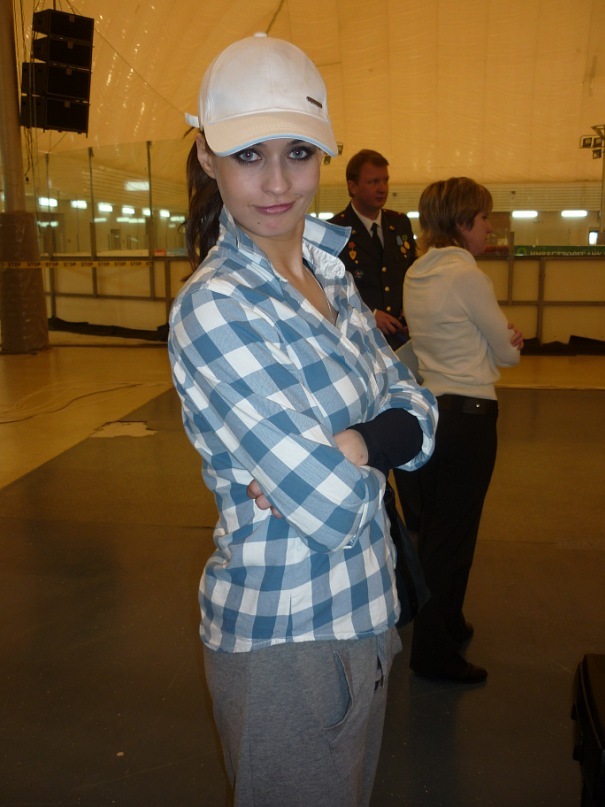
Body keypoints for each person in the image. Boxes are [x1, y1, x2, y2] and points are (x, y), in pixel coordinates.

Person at [168, 33, 438, 807]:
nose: (277, 181)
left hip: (367, 614)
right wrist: (376, 440)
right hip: (286, 640)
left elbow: (420, 410)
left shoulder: (329, 271)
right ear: (207, 157)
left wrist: (353, 443)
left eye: (297, 152)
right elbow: (331, 504)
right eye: (248, 155)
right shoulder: (216, 307)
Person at [396, 176, 524, 684]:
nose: (489, 228)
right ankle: (434, 654)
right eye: (484, 218)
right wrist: (506, 341)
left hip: (431, 415)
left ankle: (447, 622)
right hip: (470, 419)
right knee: (454, 539)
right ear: (463, 222)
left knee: (437, 532)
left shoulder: (417, 272)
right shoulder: (468, 276)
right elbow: (507, 352)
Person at [329, 149, 416, 350]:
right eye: (373, 182)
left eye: (385, 181)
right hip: (361, 339)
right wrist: (369, 315)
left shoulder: (399, 224)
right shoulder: (336, 230)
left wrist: (412, 307)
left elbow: (413, 272)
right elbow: (330, 290)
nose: (382, 188)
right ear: (352, 186)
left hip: (401, 336)